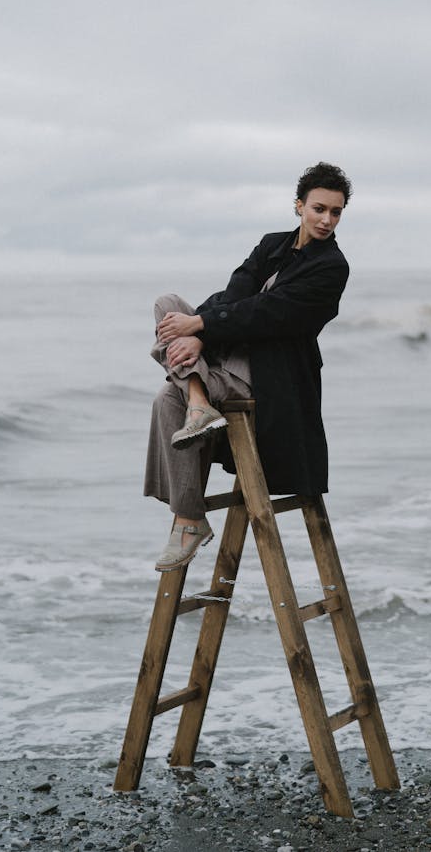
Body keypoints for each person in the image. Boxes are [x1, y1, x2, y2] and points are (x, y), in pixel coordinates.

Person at [144, 161, 352, 572]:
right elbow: (236, 291)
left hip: (269, 374)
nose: (327, 219)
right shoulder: (272, 244)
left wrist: (200, 329)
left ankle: (189, 519)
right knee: (167, 305)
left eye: (336, 212)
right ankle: (199, 398)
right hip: (227, 353)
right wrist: (198, 331)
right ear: (299, 206)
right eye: (319, 209)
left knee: (169, 396)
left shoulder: (331, 267)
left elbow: (268, 313)